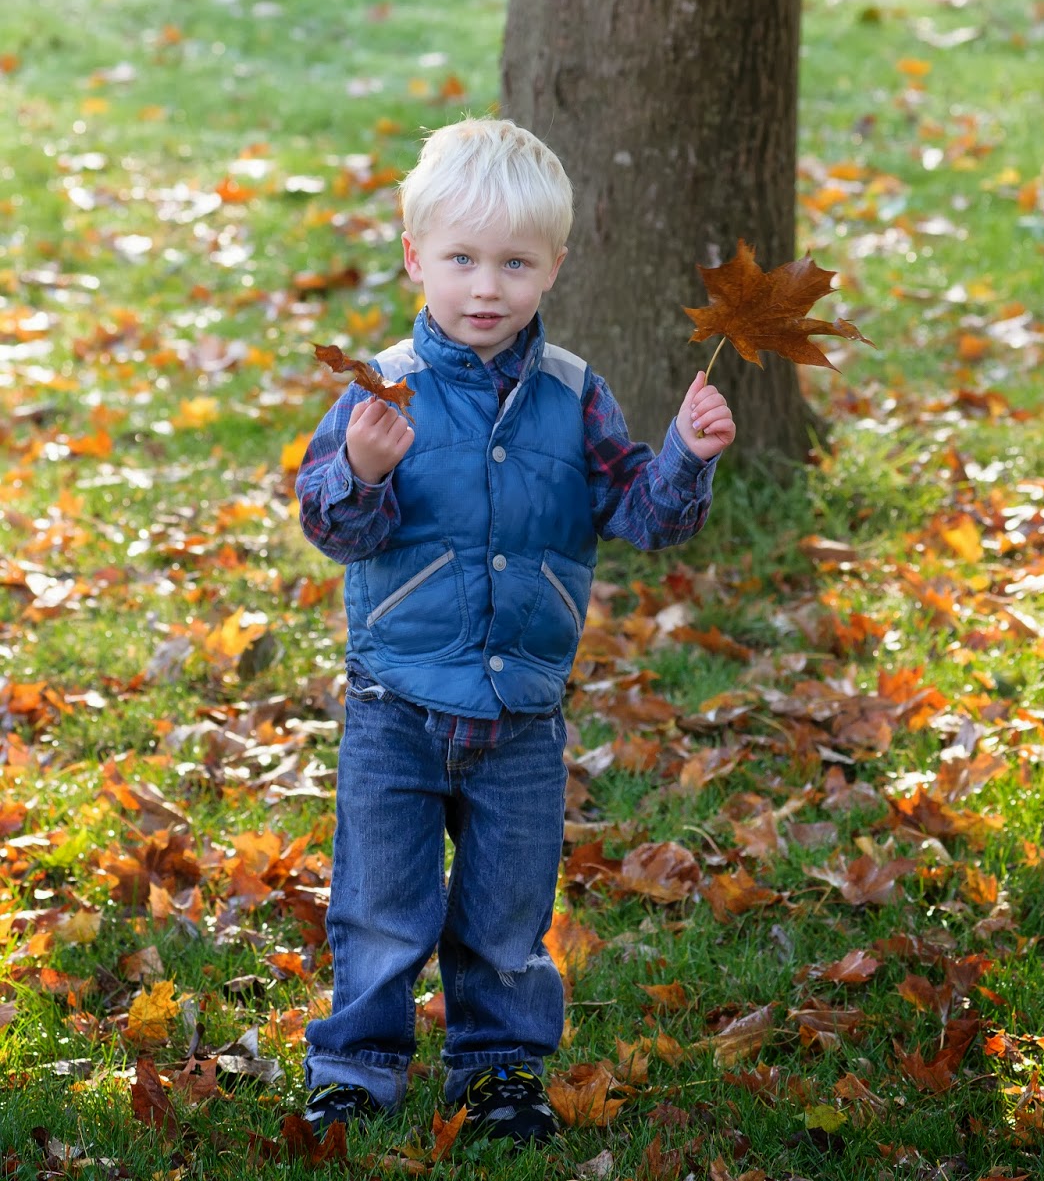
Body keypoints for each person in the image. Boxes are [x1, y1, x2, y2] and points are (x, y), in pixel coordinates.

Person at [294, 117, 735, 1146]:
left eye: (514, 264)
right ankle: (356, 1065)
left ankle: (498, 1066)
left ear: (555, 267)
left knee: (506, 911)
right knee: (379, 903)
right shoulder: (380, 388)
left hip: (522, 714)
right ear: (416, 258)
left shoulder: (574, 395)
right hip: (398, 704)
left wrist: (684, 453)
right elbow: (332, 527)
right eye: (462, 259)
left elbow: (642, 514)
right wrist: (361, 468)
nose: (486, 287)